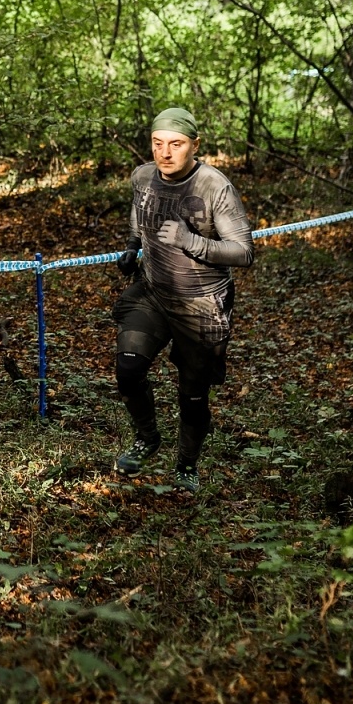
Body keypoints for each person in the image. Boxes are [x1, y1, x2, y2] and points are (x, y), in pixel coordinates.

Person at [111, 107, 254, 492]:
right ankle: (148, 438)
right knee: (127, 369)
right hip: (153, 293)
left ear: (195, 145)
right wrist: (130, 248)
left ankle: (186, 466)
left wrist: (190, 240)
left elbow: (243, 252)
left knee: (192, 395)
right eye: (158, 144)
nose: (165, 153)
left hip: (201, 304)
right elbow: (138, 221)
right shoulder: (142, 176)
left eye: (176, 144)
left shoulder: (213, 186)